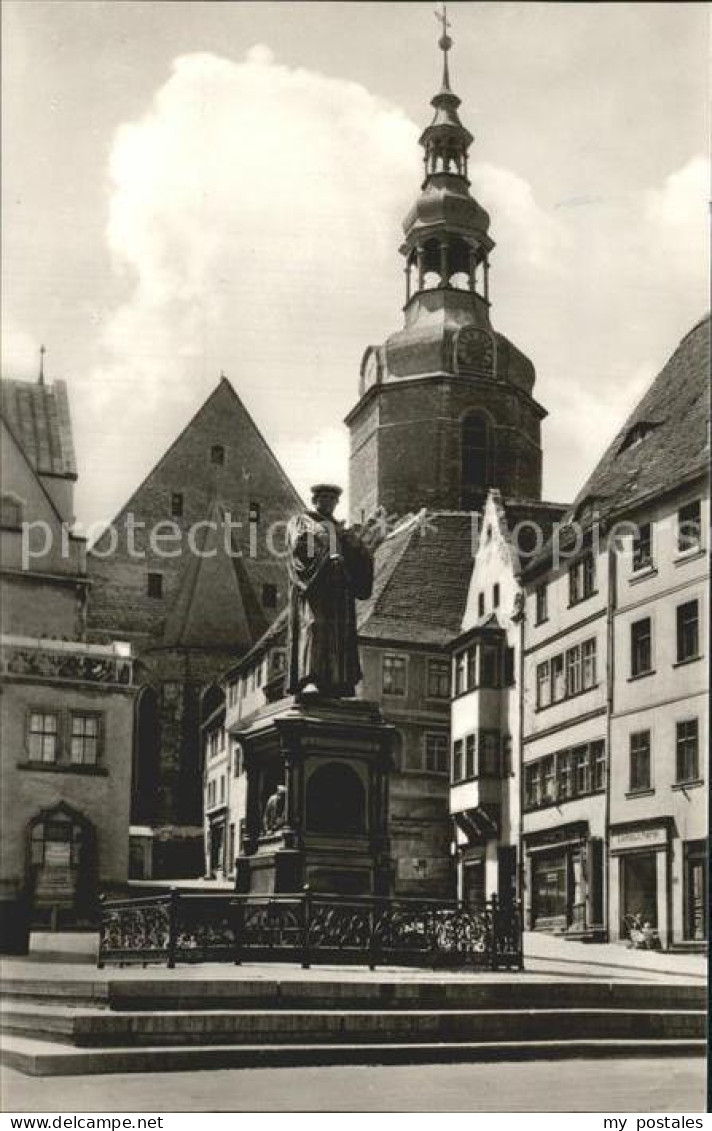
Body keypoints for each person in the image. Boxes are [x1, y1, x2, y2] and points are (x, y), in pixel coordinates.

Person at [286, 484, 376, 698]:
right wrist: (326, 555)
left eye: (332, 499)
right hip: (315, 589)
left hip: (339, 591)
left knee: (341, 635)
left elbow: (357, 562)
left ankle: (340, 682)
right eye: (323, 497)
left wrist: (361, 549)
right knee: (315, 628)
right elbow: (300, 548)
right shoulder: (302, 521)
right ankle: (310, 679)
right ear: (314, 500)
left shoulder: (342, 530)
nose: (328, 502)